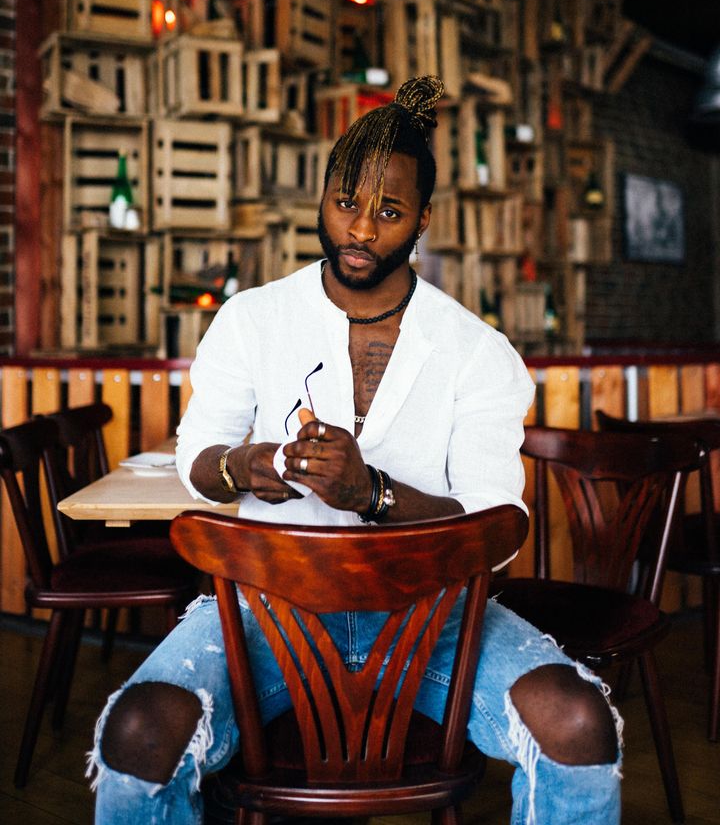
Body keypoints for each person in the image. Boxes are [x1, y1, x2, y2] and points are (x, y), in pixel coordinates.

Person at [88, 75, 622, 825]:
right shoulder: (252, 319)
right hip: (268, 609)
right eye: (346, 203)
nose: (362, 229)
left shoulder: (477, 351)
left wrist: (372, 493)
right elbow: (200, 456)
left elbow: (495, 530)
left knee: (578, 722)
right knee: (139, 729)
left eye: (389, 211)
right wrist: (246, 465)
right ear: (323, 199)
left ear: (423, 219)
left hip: (432, 617)